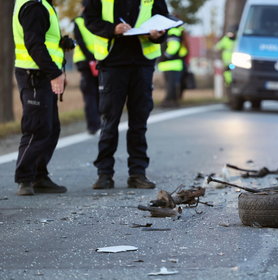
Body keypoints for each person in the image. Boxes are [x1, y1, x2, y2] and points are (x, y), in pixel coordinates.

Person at [84, 0, 169, 190]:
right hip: (113, 63)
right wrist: (113, 29)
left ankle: (137, 174)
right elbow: (89, 20)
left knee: (139, 122)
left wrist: (158, 35)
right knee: (109, 121)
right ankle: (104, 174)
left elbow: (164, 22)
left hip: (142, 65)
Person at [12, 0, 74, 195]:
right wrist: (55, 73)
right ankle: (25, 178)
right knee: (36, 128)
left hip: (40, 73)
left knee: (51, 127)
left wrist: (61, 44)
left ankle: (39, 175)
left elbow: (42, 39)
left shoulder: (43, 4)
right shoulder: (35, 6)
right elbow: (34, 44)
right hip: (35, 75)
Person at [73, 0, 101, 135]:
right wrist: (94, 58)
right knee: (98, 93)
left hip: (85, 60)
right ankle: (99, 124)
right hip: (97, 59)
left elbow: (80, 42)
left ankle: (93, 126)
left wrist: (91, 58)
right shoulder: (100, 19)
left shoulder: (78, 21)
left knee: (90, 94)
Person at [158, 25, 188, 108]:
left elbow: (174, 46)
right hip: (173, 64)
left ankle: (169, 101)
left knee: (171, 85)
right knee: (172, 85)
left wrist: (164, 56)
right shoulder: (177, 31)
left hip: (171, 63)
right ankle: (173, 101)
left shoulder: (173, 31)